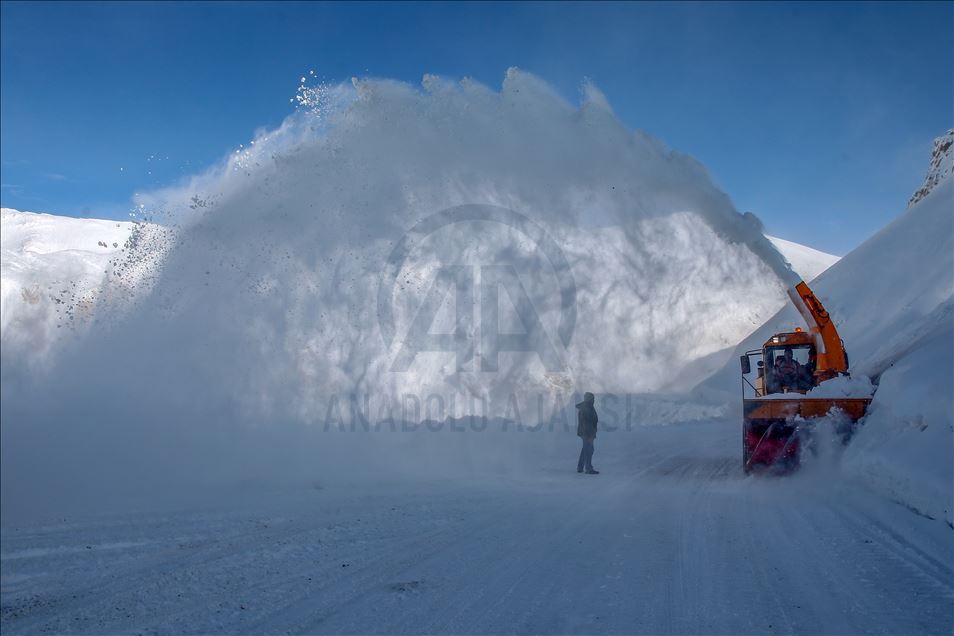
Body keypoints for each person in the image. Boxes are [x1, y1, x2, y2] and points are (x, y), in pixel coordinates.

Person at [576, 392, 599, 474]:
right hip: (587, 433)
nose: (594, 400)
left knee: (586, 449)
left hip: (587, 432)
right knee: (589, 449)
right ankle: (588, 468)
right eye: (592, 398)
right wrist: (589, 435)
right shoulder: (586, 408)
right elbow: (586, 422)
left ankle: (580, 467)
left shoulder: (588, 407)